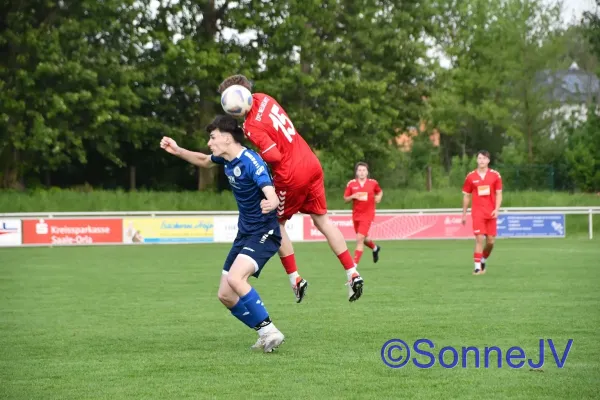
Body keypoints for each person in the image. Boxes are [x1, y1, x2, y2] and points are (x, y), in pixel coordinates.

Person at [218, 75, 364, 303]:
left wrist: (257, 159)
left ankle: (295, 278)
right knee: (322, 220)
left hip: (291, 173)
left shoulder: (250, 126)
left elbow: (274, 155)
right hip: (309, 160)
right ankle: (352, 272)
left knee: (277, 223)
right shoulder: (264, 98)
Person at [160, 115, 285, 353]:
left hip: (264, 231)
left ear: (227, 139)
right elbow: (204, 160)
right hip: (245, 233)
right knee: (225, 294)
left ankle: (270, 330)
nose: (210, 142)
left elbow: (270, 191)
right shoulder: (226, 158)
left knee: (237, 279)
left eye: (213, 137)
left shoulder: (251, 161)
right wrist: (177, 150)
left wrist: (270, 202)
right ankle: (263, 332)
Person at [461, 150, 503, 275]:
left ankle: (483, 259)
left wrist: (496, 209)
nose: (481, 161)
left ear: (488, 161)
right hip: (478, 212)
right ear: (477, 160)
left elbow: (499, 194)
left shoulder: (495, 176)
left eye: (484, 158)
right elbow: (466, 196)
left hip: (491, 213)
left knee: (490, 242)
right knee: (479, 238)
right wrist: (464, 213)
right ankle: (477, 268)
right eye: (479, 158)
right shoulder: (471, 177)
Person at [343, 162, 383, 265]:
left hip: (368, 215)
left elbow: (379, 191)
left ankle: (353, 266)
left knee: (359, 239)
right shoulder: (351, 184)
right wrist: (353, 196)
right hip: (356, 215)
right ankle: (375, 248)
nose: (361, 172)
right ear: (356, 172)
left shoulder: (373, 183)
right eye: (359, 170)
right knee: (363, 238)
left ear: (367, 172)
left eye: (363, 170)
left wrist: (379, 197)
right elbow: (346, 199)